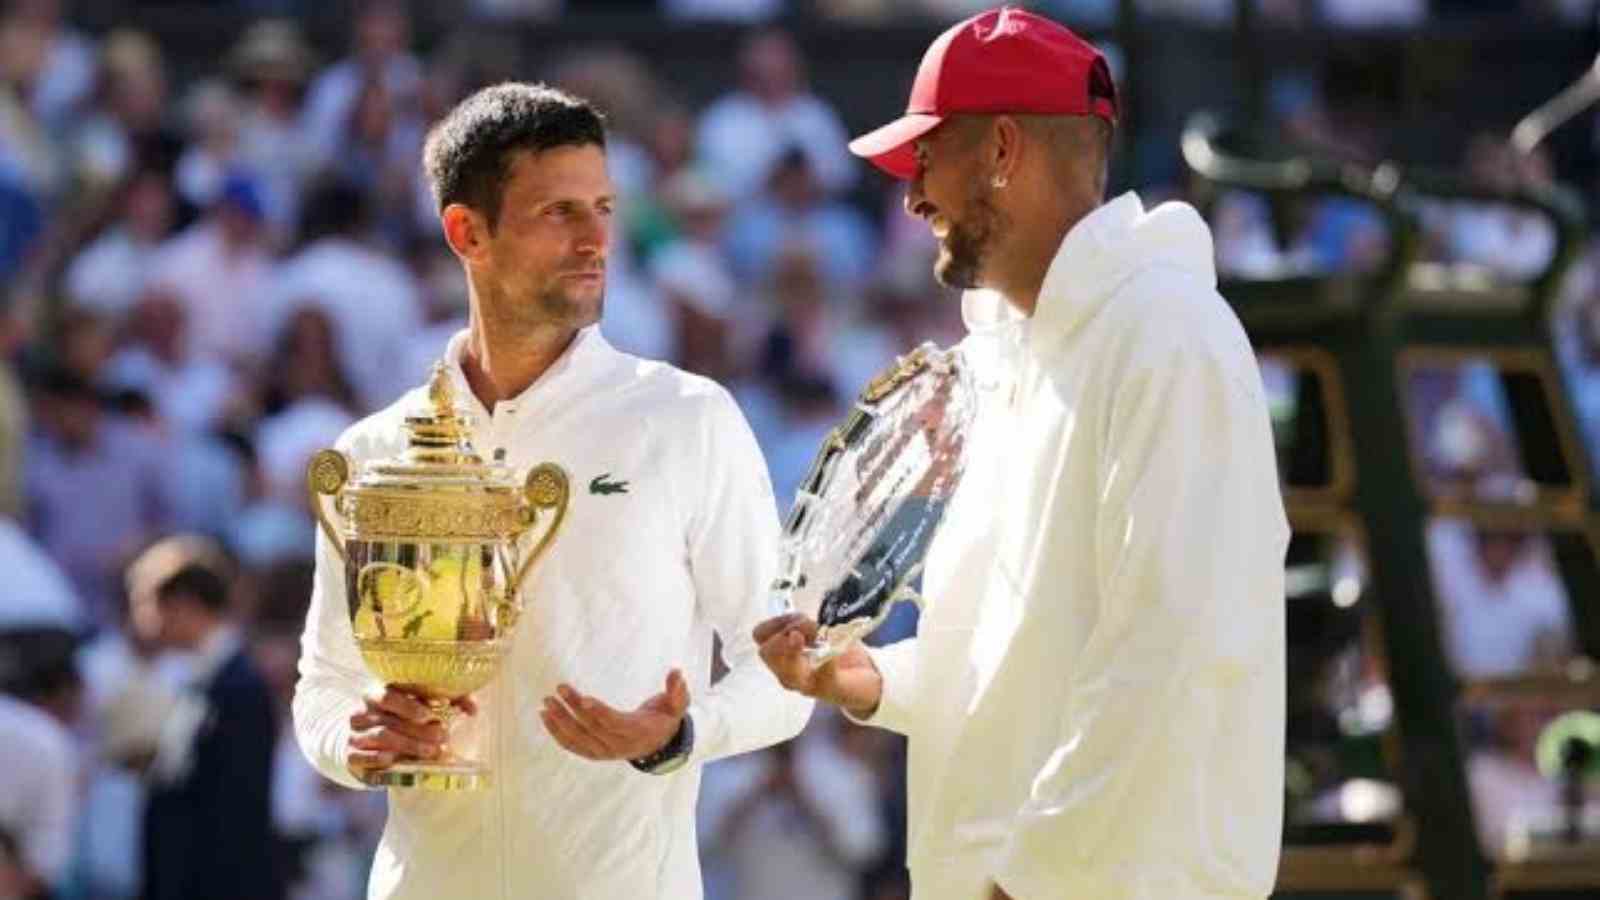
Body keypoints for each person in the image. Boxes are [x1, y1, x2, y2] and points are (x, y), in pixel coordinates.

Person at [755, 8, 1289, 900]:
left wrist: (1034, 880)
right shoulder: (1008, 364)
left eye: (927, 158)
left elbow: (1170, 657)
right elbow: (1016, 668)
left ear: (1002, 149)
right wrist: (871, 677)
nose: (912, 197)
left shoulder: (1171, 337)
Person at [291, 82, 813, 900]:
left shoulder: (687, 418)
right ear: (468, 232)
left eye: (602, 207)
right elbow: (324, 684)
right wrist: (357, 742)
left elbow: (783, 674)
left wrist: (679, 734)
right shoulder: (374, 451)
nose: (595, 238)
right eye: (557, 213)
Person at [124, 535, 281, 900]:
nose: (144, 620)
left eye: (149, 604)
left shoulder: (239, 688)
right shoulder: (201, 680)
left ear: (184, 605)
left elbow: (236, 811)